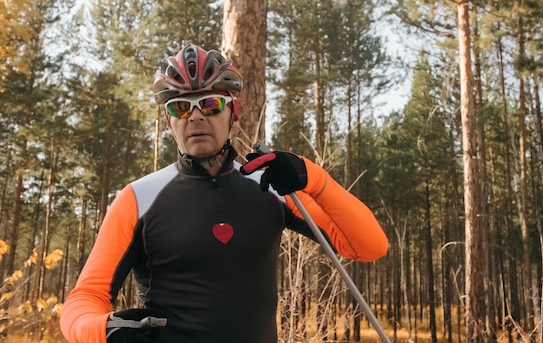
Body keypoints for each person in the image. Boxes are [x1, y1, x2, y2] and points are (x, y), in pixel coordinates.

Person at [60, 43, 388, 343]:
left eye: (211, 103)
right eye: (180, 109)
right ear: (168, 120)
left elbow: (370, 246)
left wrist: (313, 178)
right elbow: (83, 300)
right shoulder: (138, 198)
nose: (196, 116)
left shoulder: (271, 187)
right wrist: (103, 329)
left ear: (234, 112)